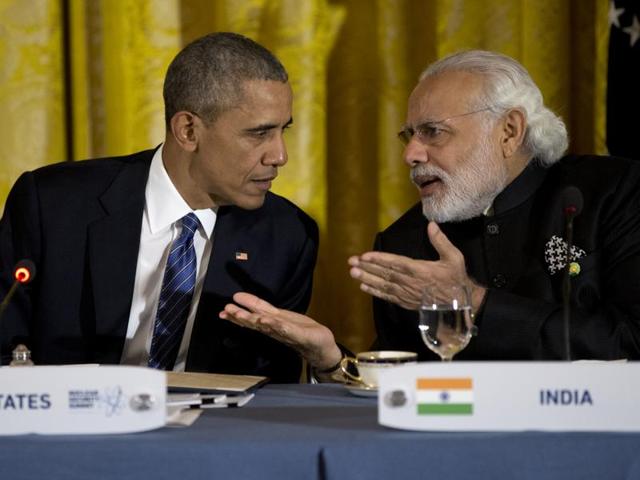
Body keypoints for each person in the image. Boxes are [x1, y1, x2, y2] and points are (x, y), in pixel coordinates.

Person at [219, 50, 640, 376]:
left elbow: (630, 343)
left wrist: (474, 302)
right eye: (409, 135)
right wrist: (330, 358)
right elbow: (402, 392)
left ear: (509, 131)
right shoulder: (405, 244)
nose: (410, 154)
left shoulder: (614, 193)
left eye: (432, 132)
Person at [0, 32, 319, 383]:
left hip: (210, 433)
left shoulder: (287, 235)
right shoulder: (53, 205)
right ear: (188, 130)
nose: (280, 156)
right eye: (259, 134)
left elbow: (273, 388)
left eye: (282, 130)